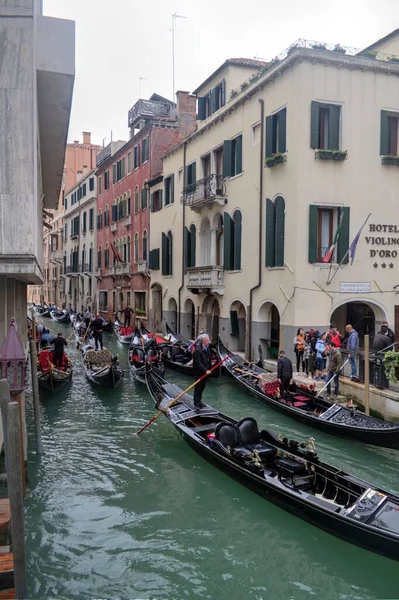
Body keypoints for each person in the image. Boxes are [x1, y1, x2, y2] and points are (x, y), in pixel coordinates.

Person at [192, 334, 212, 411]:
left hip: (205, 372)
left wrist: (209, 368)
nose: (209, 342)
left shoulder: (207, 348)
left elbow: (208, 359)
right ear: (205, 341)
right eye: (208, 340)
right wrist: (205, 370)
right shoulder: (197, 350)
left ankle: (199, 401)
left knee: (202, 388)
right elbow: (198, 363)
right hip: (199, 372)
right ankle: (196, 403)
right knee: (198, 388)